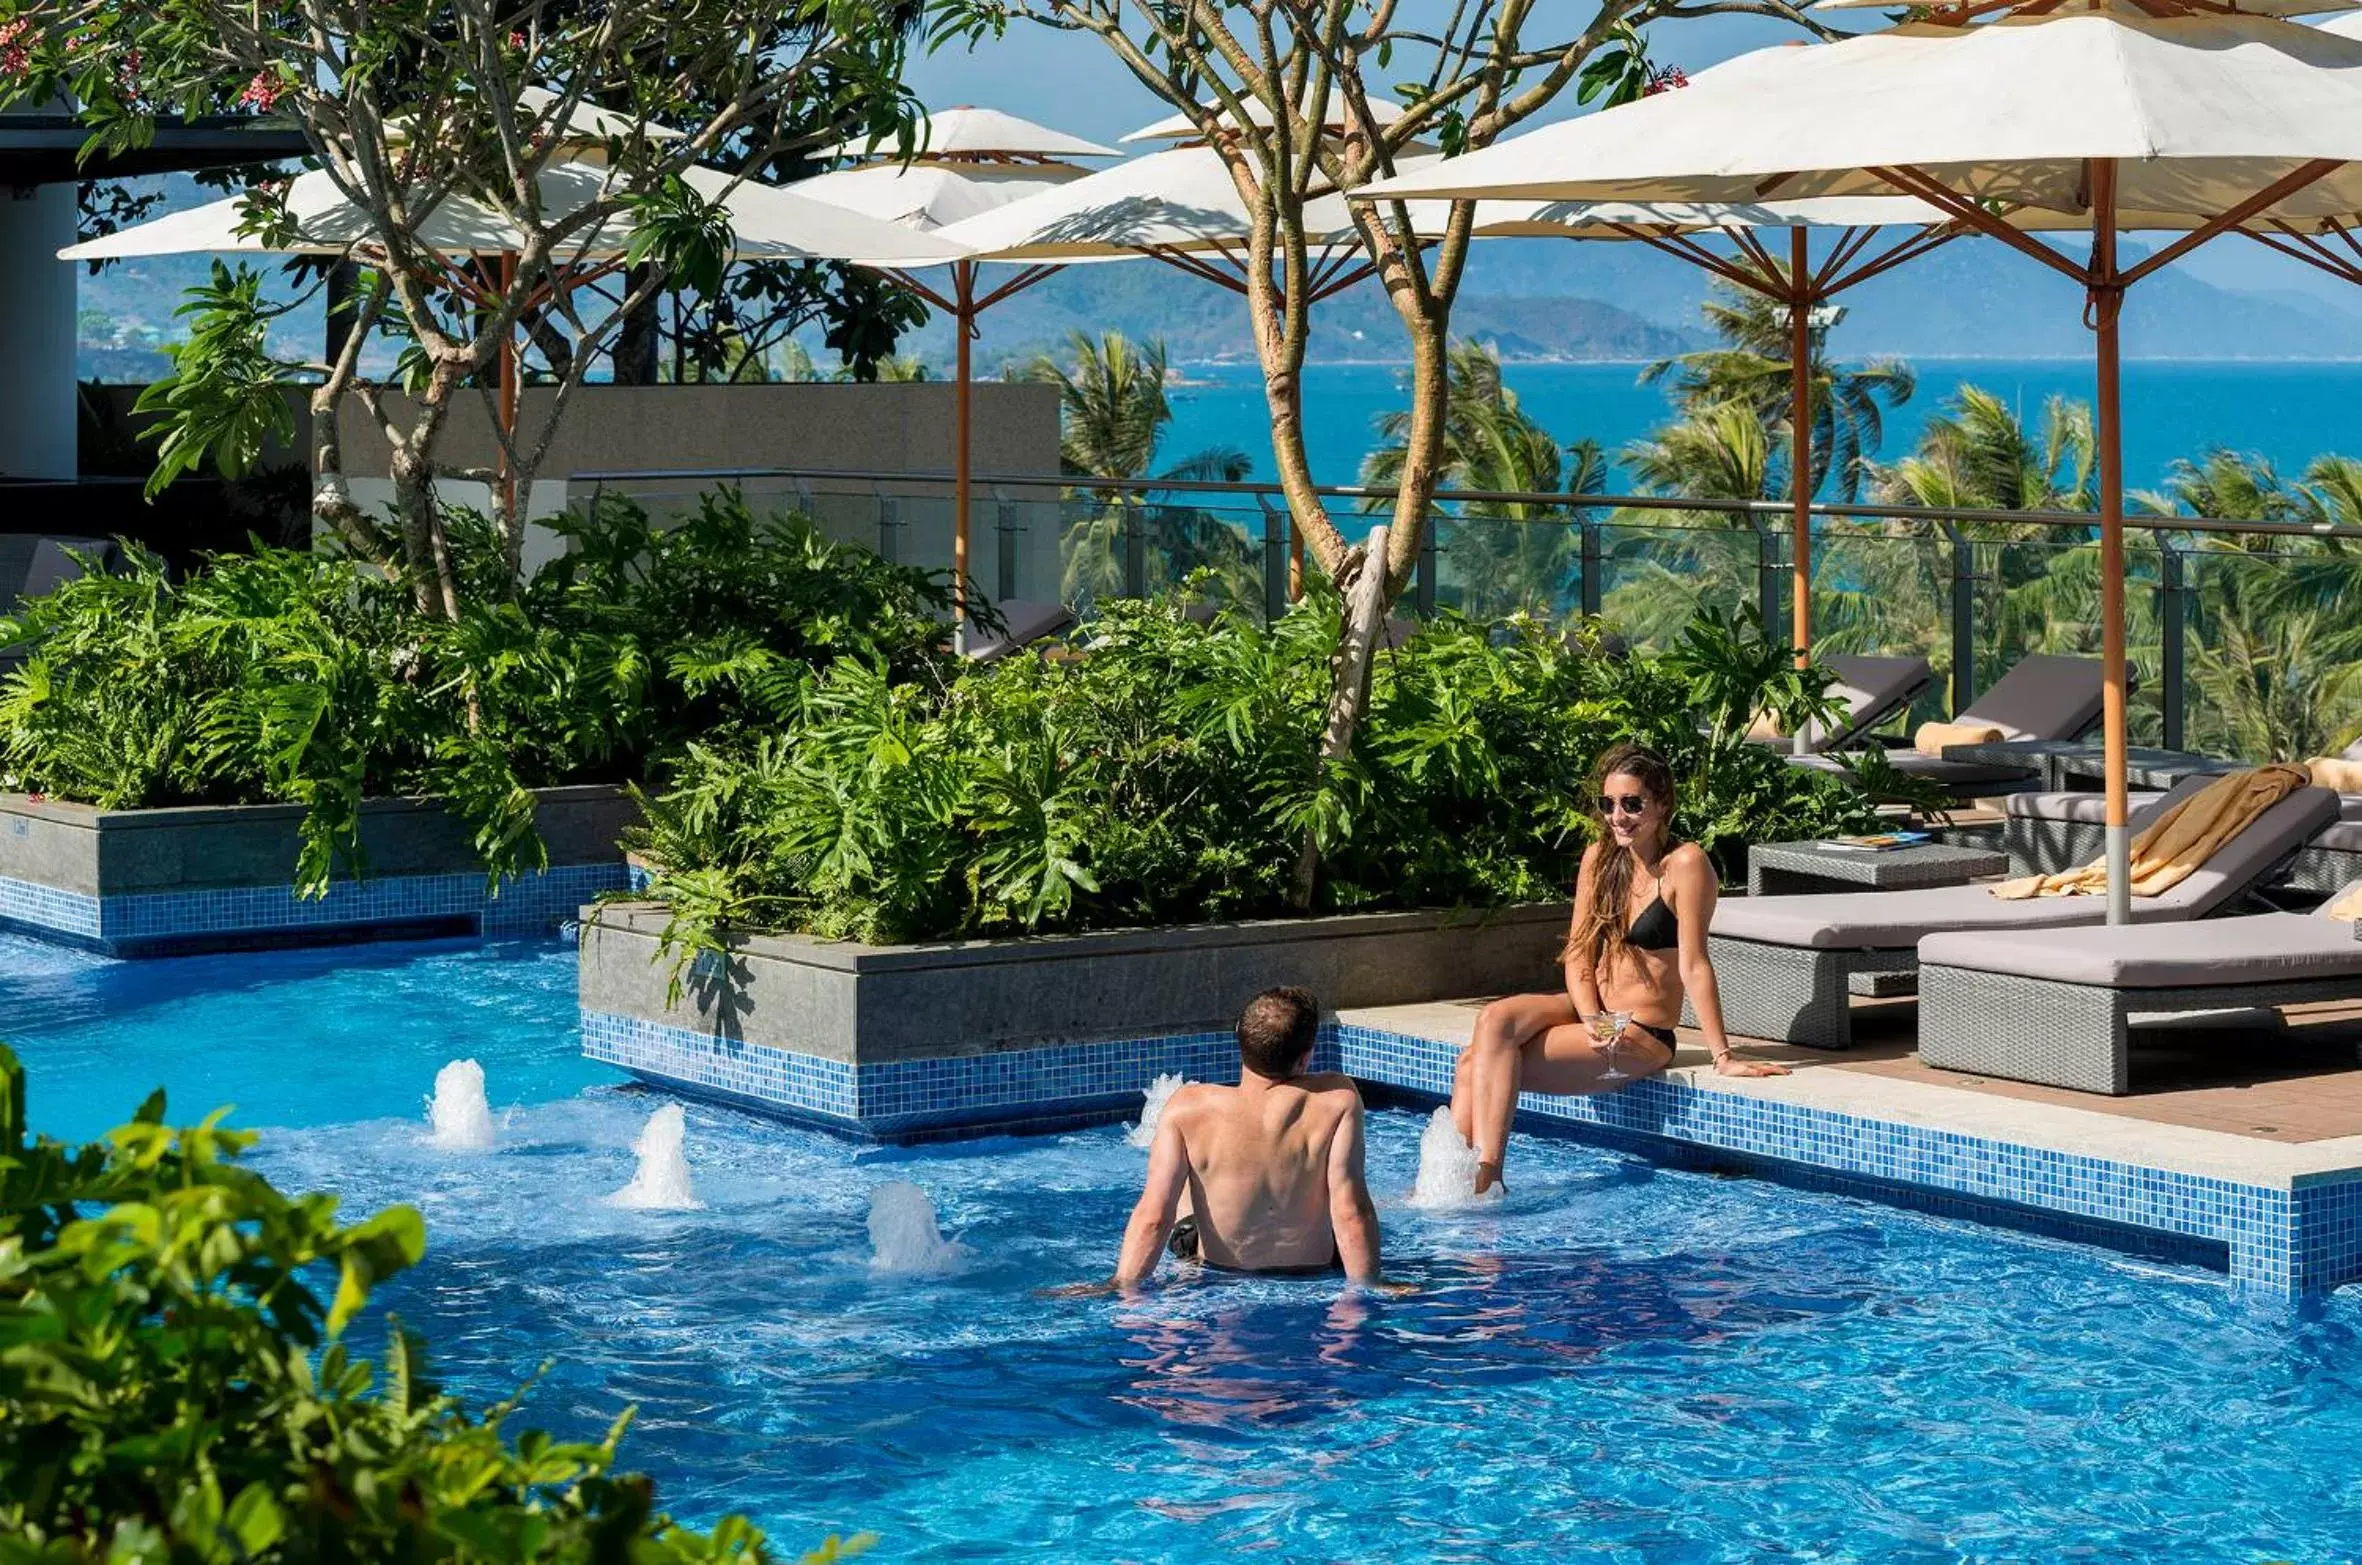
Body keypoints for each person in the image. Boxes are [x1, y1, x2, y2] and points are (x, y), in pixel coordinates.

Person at [1448, 741, 1787, 1195]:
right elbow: (1578, 955)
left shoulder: (1685, 864)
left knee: (1475, 1066)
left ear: (1663, 803)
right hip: (1595, 1015)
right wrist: (1591, 1018)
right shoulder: (1600, 858)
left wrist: (1722, 1056)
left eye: (1632, 804)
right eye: (1608, 804)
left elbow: (1694, 963)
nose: (1617, 816)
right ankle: (1461, 1181)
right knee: (1493, 1020)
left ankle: (1482, 1182)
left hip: (1642, 1033)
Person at [1112, 986, 1382, 1286]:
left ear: (1241, 1041)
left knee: (1188, 1182)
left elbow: (1154, 1217)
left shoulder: (1187, 1107)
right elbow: (1351, 1211)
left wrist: (1123, 1287)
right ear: (1305, 1059)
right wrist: (1369, 1287)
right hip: (1311, 1267)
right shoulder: (1336, 1099)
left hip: (1215, 1267)